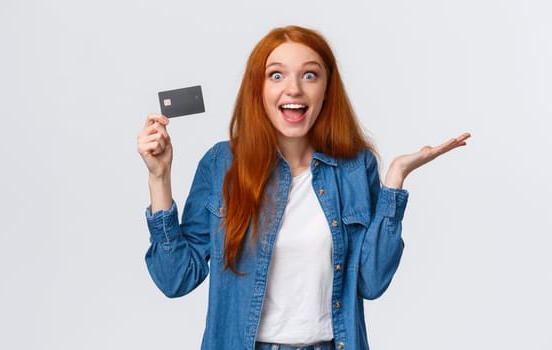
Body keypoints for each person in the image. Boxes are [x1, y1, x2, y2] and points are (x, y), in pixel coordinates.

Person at [136, 25, 470, 350]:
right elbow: (175, 279)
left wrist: (394, 180)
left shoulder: (355, 168)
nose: (294, 89)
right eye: (276, 75)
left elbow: (372, 281)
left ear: (327, 90)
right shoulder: (222, 164)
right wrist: (159, 177)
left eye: (309, 75)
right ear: (258, 89)